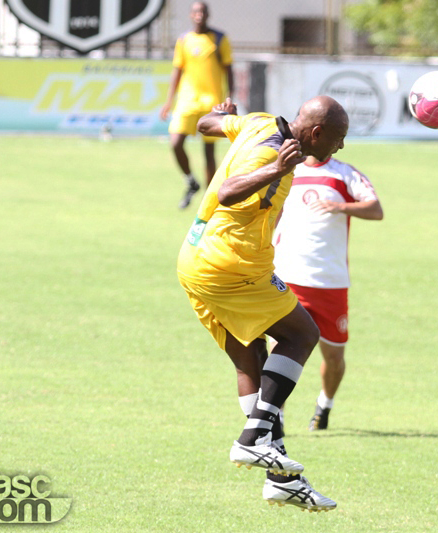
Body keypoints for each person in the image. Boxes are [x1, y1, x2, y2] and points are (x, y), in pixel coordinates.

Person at [177, 95, 349, 512]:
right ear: (315, 134)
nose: (340, 148)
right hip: (232, 267)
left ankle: (280, 480)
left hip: (195, 259)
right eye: (339, 139)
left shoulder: (256, 122)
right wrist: (276, 168)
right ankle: (253, 440)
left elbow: (204, 125)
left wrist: (222, 115)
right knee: (302, 333)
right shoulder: (279, 158)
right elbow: (229, 192)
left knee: (251, 357)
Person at [273, 156, 383, 431]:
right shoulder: (288, 169)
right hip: (288, 276)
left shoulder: (345, 174)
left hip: (330, 281)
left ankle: (325, 405)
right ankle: (276, 415)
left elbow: (376, 209)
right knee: (278, 349)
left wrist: (340, 206)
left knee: (333, 357)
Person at [159, 1, 234, 210]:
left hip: (212, 102)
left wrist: (229, 97)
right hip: (187, 102)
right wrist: (168, 101)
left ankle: (208, 202)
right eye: (196, 11)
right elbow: (177, 70)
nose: (199, 15)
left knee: (208, 152)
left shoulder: (219, 39)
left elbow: (229, 69)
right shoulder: (184, 40)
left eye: (203, 11)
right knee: (175, 143)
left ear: (208, 15)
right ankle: (190, 181)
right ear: (191, 16)